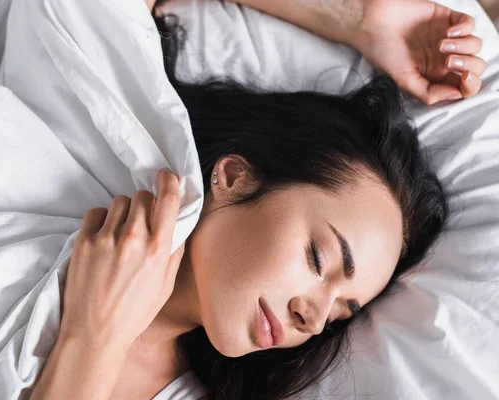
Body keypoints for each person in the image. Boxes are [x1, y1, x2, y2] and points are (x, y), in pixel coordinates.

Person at [30, 0, 486, 399]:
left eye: (338, 315)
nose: (312, 319)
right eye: (318, 258)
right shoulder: (104, 134)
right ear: (235, 176)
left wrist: (92, 341)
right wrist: (354, 18)